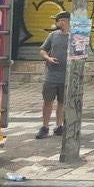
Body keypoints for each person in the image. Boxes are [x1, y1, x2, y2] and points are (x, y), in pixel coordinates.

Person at [37, 11, 69, 140]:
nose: (56, 23)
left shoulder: (74, 37)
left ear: (64, 21)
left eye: (58, 20)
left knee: (62, 102)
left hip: (66, 76)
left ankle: (59, 126)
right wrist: (47, 58)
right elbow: (43, 50)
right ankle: (45, 127)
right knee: (47, 101)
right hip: (51, 76)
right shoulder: (53, 35)